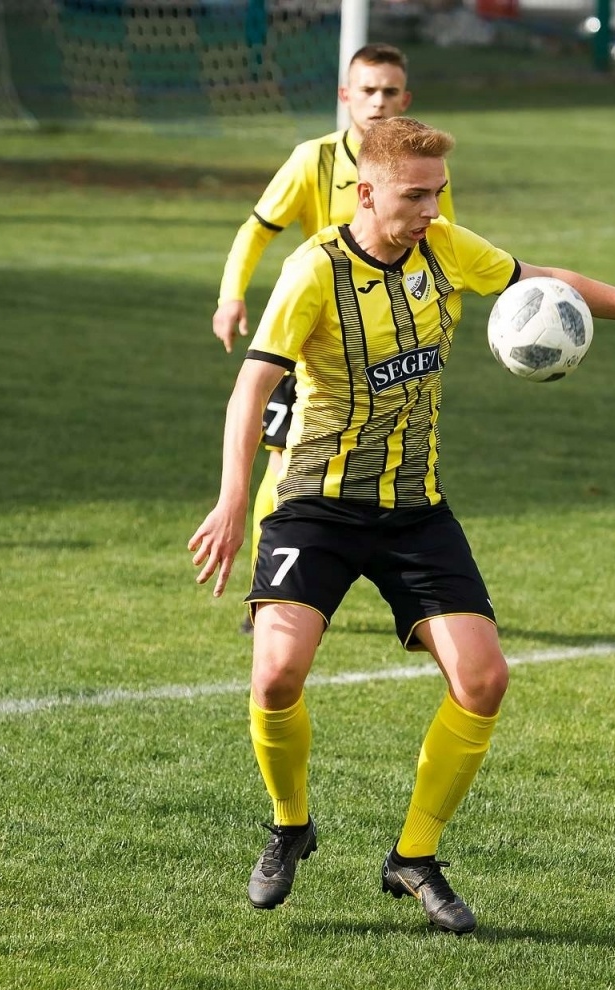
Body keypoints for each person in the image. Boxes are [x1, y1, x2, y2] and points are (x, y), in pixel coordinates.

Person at [187, 117, 615, 934]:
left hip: (413, 508)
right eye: (415, 194)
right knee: (276, 676)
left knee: (485, 678)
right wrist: (233, 496)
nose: (430, 207)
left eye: (438, 191)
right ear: (367, 192)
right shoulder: (314, 271)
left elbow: (543, 279)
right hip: (314, 504)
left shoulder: (445, 249)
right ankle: (290, 826)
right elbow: (253, 388)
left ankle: (414, 857)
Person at [212, 43, 455, 633]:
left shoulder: (419, 172)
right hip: (315, 336)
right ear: (345, 96)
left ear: (406, 99)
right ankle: (267, 587)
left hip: (384, 339)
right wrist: (230, 294)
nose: (379, 101)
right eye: (367, 90)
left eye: (390, 92)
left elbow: (449, 244)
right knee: (284, 461)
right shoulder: (312, 160)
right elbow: (256, 228)